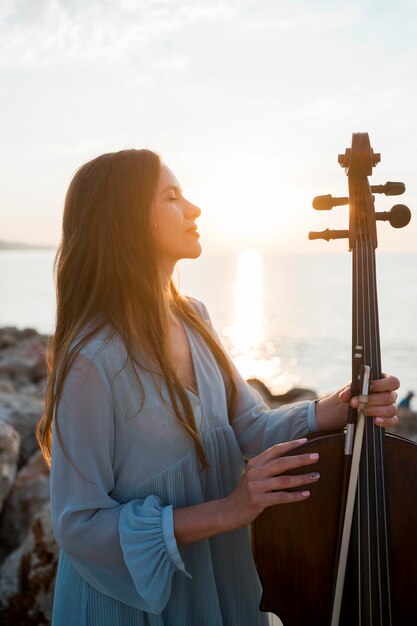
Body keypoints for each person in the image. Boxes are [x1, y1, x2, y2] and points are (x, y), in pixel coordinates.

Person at [37, 149, 399, 626]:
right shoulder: (91, 362)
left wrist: (334, 407)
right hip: (132, 609)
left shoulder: (194, 317)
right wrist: (230, 509)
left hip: (219, 584)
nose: (194, 209)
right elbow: (78, 526)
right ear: (124, 221)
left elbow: (247, 424)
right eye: (172, 196)